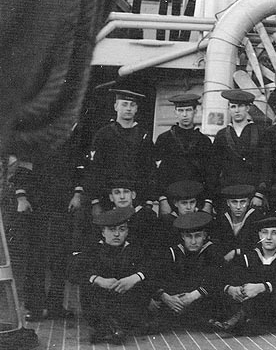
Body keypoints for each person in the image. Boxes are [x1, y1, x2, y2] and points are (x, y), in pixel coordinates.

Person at [11, 123, 86, 322]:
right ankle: (35, 308)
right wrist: (21, 197)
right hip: (36, 205)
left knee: (60, 256)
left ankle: (55, 307)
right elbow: (23, 168)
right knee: (36, 257)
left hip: (63, 204)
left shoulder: (71, 135)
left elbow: (79, 167)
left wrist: (77, 194)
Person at [71, 207, 152, 345]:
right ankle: (111, 328)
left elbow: (152, 269)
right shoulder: (93, 250)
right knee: (89, 282)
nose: (117, 234)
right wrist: (98, 279)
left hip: (127, 304)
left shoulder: (135, 250)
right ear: (103, 232)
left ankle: (109, 330)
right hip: (101, 305)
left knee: (142, 281)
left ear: (127, 231)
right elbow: (72, 271)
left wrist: (134, 278)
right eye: (112, 230)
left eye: (122, 229)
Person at [211, 215, 276, 334]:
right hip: (251, 302)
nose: (268, 237)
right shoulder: (249, 257)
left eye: (274, 233)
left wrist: (262, 287)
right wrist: (233, 289)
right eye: (264, 232)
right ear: (259, 235)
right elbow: (233, 277)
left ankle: (237, 321)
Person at [86, 88, 155, 215]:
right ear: (116, 107)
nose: (128, 108)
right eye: (124, 104)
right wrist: (95, 201)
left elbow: (149, 169)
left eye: (132, 105)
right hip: (108, 198)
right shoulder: (104, 134)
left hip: (135, 198)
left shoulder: (143, 135)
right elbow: (94, 169)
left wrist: (148, 201)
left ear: (136, 109)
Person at [149, 211, 223, 330]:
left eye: (198, 236)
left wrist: (193, 296)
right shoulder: (173, 252)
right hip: (175, 300)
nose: (193, 242)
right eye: (189, 236)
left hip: (198, 299)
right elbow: (155, 276)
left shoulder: (212, 251)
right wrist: (166, 298)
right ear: (183, 236)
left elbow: (217, 279)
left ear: (204, 235)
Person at [153, 93, 217, 214]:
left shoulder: (204, 141)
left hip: (196, 201)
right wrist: (162, 199)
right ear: (175, 112)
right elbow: (158, 173)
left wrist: (208, 202)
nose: (184, 115)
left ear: (195, 111)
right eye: (181, 110)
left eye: (188, 110)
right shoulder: (164, 139)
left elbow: (211, 174)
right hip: (171, 201)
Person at [212, 89, 267, 210]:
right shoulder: (222, 135)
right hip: (228, 194)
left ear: (247, 108)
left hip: (253, 195)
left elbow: (266, 165)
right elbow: (215, 169)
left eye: (240, 106)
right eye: (233, 106)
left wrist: (259, 194)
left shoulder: (260, 132)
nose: (237, 110)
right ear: (229, 109)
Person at [102, 178, 165, 255]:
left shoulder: (147, 216)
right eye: (117, 193)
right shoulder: (106, 218)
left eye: (126, 192)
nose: (122, 197)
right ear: (111, 197)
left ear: (133, 195)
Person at [210, 184, 264, 262]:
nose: (238, 207)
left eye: (243, 202)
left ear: (248, 202)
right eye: (234, 202)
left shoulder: (255, 219)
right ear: (228, 203)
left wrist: (236, 252)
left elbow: (258, 245)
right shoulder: (221, 220)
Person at [160, 180, 207, 246]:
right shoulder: (167, 222)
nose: (189, 207)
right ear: (175, 203)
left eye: (192, 202)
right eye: (184, 203)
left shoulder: (203, 219)